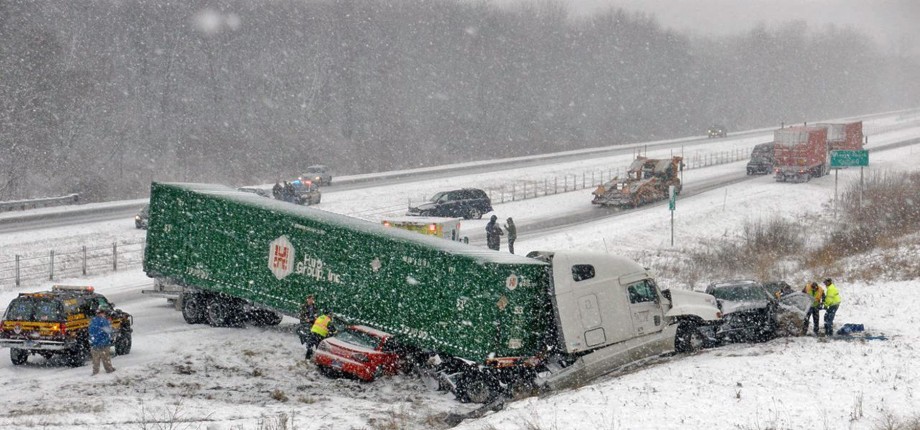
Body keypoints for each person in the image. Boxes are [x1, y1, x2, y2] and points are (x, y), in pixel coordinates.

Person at [88, 308, 116, 375]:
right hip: (103, 342)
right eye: (103, 313)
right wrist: (112, 332)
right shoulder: (103, 321)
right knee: (106, 358)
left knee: (95, 360)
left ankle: (95, 372)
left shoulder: (92, 321)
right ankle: (109, 369)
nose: (104, 314)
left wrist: (93, 339)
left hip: (94, 343)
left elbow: (90, 331)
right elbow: (108, 330)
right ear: (101, 313)